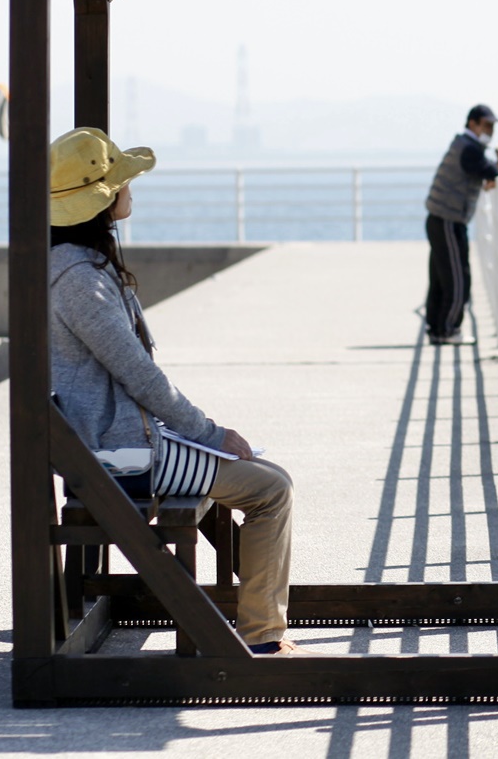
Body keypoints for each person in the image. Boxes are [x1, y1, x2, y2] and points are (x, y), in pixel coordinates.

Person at [47, 126, 308, 656]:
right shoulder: (80, 279)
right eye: (122, 182)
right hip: (122, 455)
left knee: (270, 478)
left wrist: (207, 435)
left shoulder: (71, 266)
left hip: (112, 441)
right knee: (271, 491)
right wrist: (210, 432)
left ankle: (259, 619)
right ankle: (260, 638)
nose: (131, 190)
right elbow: (139, 376)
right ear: (100, 201)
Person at [423, 104, 498, 344]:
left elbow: (484, 176)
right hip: (448, 219)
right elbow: (491, 173)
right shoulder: (470, 149)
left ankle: (438, 329)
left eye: (492, 126)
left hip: (440, 218)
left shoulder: (464, 145)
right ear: (473, 124)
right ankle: (448, 329)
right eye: (487, 125)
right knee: (458, 278)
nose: (490, 131)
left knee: (441, 278)